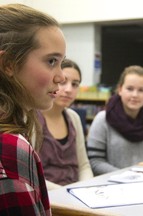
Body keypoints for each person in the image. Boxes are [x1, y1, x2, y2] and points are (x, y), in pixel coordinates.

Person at [0, 3, 66, 215]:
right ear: (8, 63)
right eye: (51, 61)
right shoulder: (9, 147)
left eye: (61, 62)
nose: (61, 76)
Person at [87, 65, 143, 175]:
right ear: (120, 90)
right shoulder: (102, 119)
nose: (135, 95)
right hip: (110, 187)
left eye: (141, 90)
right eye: (130, 89)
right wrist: (128, 176)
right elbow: (95, 162)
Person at [37, 59, 93, 190]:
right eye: (63, 82)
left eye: (75, 84)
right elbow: (30, 175)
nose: (69, 89)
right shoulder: (32, 119)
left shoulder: (74, 118)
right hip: (46, 197)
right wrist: (66, 193)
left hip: (75, 194)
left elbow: (84, 166)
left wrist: (85, 188)